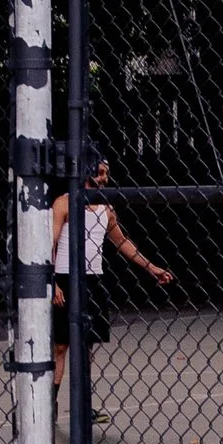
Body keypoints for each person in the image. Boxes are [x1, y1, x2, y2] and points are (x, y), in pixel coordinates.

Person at [51, 154, 171, 422]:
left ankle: (82, 406)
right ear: (86, 173)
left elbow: (122, 242)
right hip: (66, 278)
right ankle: (50, 403)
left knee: (87, 346)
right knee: (61, 346)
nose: (106, 178)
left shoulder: (105, 209)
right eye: (102, 173)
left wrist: (152, 268)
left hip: (93, 280)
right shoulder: (64, 203)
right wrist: (53, 282)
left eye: (107, 173)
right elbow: (51, 243)